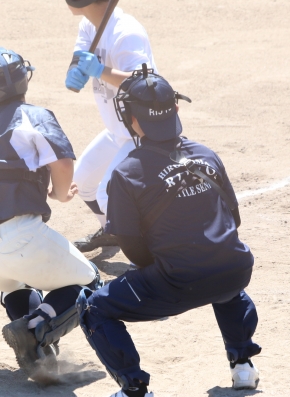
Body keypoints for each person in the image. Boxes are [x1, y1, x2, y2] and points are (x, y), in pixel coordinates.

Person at [76, 66, 262, 397]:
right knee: (222, 269)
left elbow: (132, 248)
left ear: (132, 119)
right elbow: (232, 220)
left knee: (93, 308)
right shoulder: (207, 155)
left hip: (177, 281)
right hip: (235, 272)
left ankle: (134, 388)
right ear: (176, 108)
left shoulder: (127, 173)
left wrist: (165, 269)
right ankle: (243, 365)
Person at [0, 46, 103, 381]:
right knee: (90, 282)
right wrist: (59, 194)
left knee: (16, 282)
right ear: (25, 80)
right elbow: (63, 163)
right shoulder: (34, 116)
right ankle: (36, 328)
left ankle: (37, 354)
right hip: (18, 238)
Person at [49, 0, 157, 252]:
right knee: (82, 183)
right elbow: (80, 55)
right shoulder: (89, 24)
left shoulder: (126, 33)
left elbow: (147, 84)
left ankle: (147, 253)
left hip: (140, 131)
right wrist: (75, 70)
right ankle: (113, 232)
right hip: (117, 129)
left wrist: (100, 71)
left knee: (109, 195)